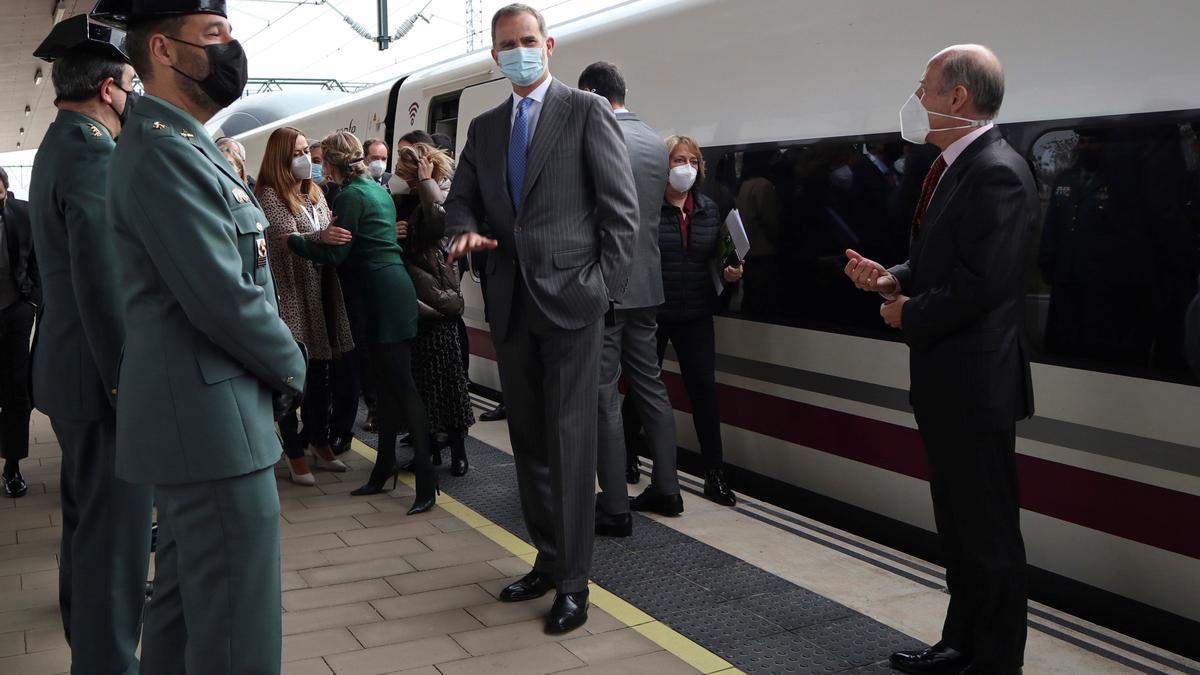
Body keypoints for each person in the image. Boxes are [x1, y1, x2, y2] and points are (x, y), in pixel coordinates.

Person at [94, 1, 307, 671]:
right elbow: (224, 299)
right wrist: (295, 364)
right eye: (214, 36)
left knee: (185, 615)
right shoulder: (163, 152)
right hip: (212, 425)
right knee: (239, 630)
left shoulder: (175, 143)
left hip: (202, 418)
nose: (230, 50)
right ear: (161, 49)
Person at [445, 3, 638, 634]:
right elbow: (462, 201)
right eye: (508, 44)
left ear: (549, 45)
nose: (520, 51)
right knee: (528, 440)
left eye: (529, 40)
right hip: (510, 303)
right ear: (495, 56)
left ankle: (574, 585)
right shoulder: (484, 126)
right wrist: (466, 232)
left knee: (571, 441)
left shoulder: (585, 112)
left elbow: (620, 214)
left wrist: (600, 291)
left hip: (573, 307)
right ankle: (548, 557)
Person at [844, 45, 1035, 675]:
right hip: (949, 382)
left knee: (988, 531)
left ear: (957, 97)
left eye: (926, 86)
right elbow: (942, 265)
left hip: (976, 385)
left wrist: (910, 314)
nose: (918, 98)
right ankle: (961, 643)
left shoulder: (997, 170)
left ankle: (996, 659)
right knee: (958, 526)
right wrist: (890, 279)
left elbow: (985, 282)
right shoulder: (956, 168)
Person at [27, 14, 153, 672]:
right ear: (109, 89)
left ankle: (88, 636)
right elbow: (107, 288)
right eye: (134, 81)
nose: (138, 94)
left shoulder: (59, 143)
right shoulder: (93, 155)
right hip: (100, 383)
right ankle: (107, 660)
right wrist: (129, 386)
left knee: (88, 525)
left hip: (70, 372)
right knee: (115, 542)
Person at [286, 131, 439, 512]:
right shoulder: (376, 189)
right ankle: (383, 467)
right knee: (387, 386)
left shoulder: (352, 195)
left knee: (400, 386)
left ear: (333, 165)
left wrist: (293, 240)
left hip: (377, 293)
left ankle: (426, 483)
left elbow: (336, 254)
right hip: (390, 288)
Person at [577, 61, 681, 537]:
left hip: (608, 287)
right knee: (650, 387)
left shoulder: (596, 137)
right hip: (648, 285)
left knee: (604, 395)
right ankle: (667, 487)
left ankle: (614, 505)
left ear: (592, 94)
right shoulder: (657, 142)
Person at [623, 134, 742, 507]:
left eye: (692, 160)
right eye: (677, 160)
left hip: (695, 313)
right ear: (663, 165)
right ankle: (627, 454)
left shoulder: (710, 209)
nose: (685, 168)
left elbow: (718, 260)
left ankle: (715, 473)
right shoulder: (645, 211)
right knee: (642, 388)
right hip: (652, 312)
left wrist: (731, 272)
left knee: (704, 391)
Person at [256, 126, 354, 483]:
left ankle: (320, 439)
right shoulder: (270, 196)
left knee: (322, 375)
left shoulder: (315, 194)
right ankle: (295, 451)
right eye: (297, 152)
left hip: (321, 292)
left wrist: (325, 236)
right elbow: (284, 239)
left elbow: (327, 228)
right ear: (281, 157)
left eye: (306, 152)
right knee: (294, 375)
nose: (306, 160)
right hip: (293, 294)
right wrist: (321, 237)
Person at [393, 142, 474, 477]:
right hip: (419, 300)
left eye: (400, 162)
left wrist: (427, 185)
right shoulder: (405, 200)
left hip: (437, 302)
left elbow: (438, 226)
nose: (394, 167)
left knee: (449, 384)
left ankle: (457, 452)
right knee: (425, 384)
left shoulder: (440, 195)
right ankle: (430, 451)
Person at [0, 164, 37, 500]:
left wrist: (34, 300)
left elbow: (39, 258)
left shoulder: (23, 213)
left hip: (15, 313)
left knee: (16, 393)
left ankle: (12, 467)